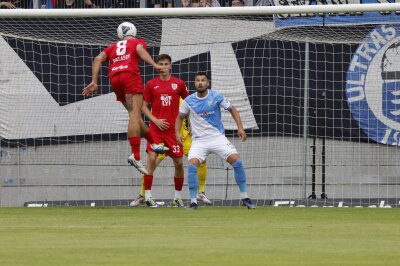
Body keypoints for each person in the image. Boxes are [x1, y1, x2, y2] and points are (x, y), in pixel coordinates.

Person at [82, 22, 169, 175]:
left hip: (115, 78)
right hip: (130, 77)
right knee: (135, 117)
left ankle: (154, 143)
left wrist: (94, 81)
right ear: (134, 32)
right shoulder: (137, 41)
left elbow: (97, 59)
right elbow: (139, 50)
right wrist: (155, 65)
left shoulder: (112, 47)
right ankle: (136, 156)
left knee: (134, 115)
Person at [175, 72, 255, 210]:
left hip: (217, 138)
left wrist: (240, 128)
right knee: (192, 166)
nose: (200, 83)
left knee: (237, 162)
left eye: (203, 80)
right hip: (199, 141)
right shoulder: (188, 101)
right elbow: (180, 117)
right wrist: (177, 133)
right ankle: (193, 201)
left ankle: (245, 197)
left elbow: (233, 109)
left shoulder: (216, 96)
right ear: (195, 83)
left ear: (208, 83)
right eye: (197, 80)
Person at [130, 97, 212, 207]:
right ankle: (142, 195)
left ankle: (200, 192)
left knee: (199, 160)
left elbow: (193, 113)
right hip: (162, 137)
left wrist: (192, 125)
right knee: (151, 164)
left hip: (183, 138)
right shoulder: (158, 99)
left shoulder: (183, 101)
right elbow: (148, 113)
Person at [134, 54, 189, 208]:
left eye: (166, 64)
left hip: (173, 130)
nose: (163, 67)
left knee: (178, 162)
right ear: (156, 66)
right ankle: (148, 197)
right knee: (151, 159)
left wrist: (188, 122)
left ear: (170, 66)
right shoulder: (151, 84)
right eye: (160, 64)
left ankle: (177, 197)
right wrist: (155, 120)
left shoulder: (179, 84)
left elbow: (189, 103)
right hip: (156, 130)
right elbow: (143, 106)